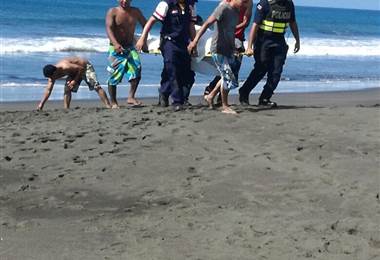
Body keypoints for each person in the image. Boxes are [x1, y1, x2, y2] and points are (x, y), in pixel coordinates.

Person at [136, 0, 197, 111]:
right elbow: (151, 21)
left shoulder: (190, 6)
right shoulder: (165, 4)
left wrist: (194, 43)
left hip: (183, 43)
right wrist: (142, 38)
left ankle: (164, 94)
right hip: (168, 41)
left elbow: (191, 26)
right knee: (172, 68)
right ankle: (177, 101)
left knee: (185, 72)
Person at [188, 0, 247, 114]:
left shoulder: (236, 11)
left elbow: (230, 30)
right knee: (227, 77)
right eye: (243, 1)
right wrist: (195, 41)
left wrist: (233, 47)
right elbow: (206, 24)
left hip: (229, 49)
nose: (244, 4)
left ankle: (210, 96)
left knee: (230, 76)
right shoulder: (223, 8)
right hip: (218, 49)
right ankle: (225, 106)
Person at [238, 0, 300, 107]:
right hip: (263, 41)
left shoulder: (289, 4)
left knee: (276, 72)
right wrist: (249, 47)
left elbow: (292, 22)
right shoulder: (264, 4)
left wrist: (297, 40)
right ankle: (244, 92)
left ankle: (265, 98)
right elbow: (255, 26)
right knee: (261, 69)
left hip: (279, 41)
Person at [203, 0, 253, 106]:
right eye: (243, 2)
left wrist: (232, 29)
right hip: (221, 44)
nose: (244, 5)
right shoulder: (224, 5)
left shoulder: (248, 3)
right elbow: (209, 23)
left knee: (231, 73)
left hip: (235, 40)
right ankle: (222, 102)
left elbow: (246, 22)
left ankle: (212, 95)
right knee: (227, 74)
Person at [105, 0, 147, 108]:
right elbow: (108, 28)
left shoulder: (136, 11)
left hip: (130, 47)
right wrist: (115, 43)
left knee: (137, 70)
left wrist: (144, 41)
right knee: (114, 75)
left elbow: (146, 25)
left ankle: (131, 97)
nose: (124, 1)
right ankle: (114, 102)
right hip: (116, 48)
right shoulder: (113, 11)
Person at [37, 57, 111, 111]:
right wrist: (41, 104)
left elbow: (81, 69)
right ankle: (66, 109)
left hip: (85, 67)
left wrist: (75, 81)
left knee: (96, 86)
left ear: (55, 72)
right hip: (74, 71)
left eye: (51, 76)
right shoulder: (52, 76)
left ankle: (108, 105)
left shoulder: (65, 66)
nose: (51, 78)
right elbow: (48, 90)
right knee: (67, 89)